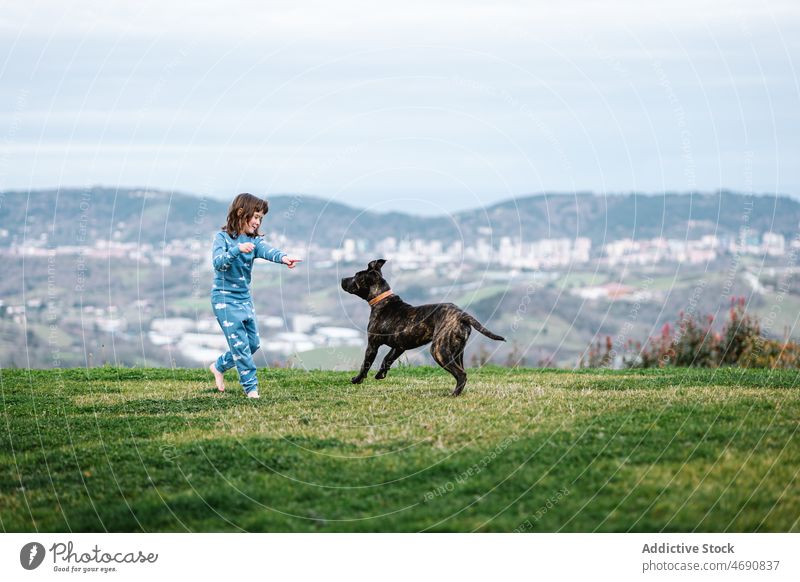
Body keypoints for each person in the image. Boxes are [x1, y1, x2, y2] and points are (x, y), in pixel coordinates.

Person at [209, 193, 301, 398]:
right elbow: (218, 263)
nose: (258, 222)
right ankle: (252, 389)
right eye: (256, 217)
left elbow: (269, 250)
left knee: (252, 344)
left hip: (244, 299)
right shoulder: (221, 238)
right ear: (241, 213)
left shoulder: (253, 241)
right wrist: (236, 250)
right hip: (224, 300)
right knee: (240, 346)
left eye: (261, 218)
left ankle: (219, 366)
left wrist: (284, 258)